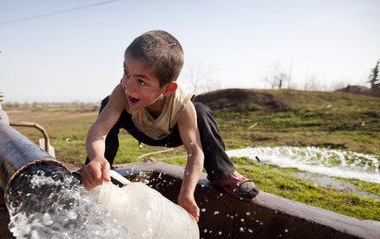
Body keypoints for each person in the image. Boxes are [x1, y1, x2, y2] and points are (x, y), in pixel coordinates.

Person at [79, 30, 258, 222]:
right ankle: (97, 169)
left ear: (167, 89)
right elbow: (99, 131)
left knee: (201, 111)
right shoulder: (122, 93)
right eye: (126, 72)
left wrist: (186, 193)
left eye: (141, 81)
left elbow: (195, 152)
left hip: (171, 134)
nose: (128, 85)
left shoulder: (182, 105)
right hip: (140, 129)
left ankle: (223, 173)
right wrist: (97, 157)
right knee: (108, 104)